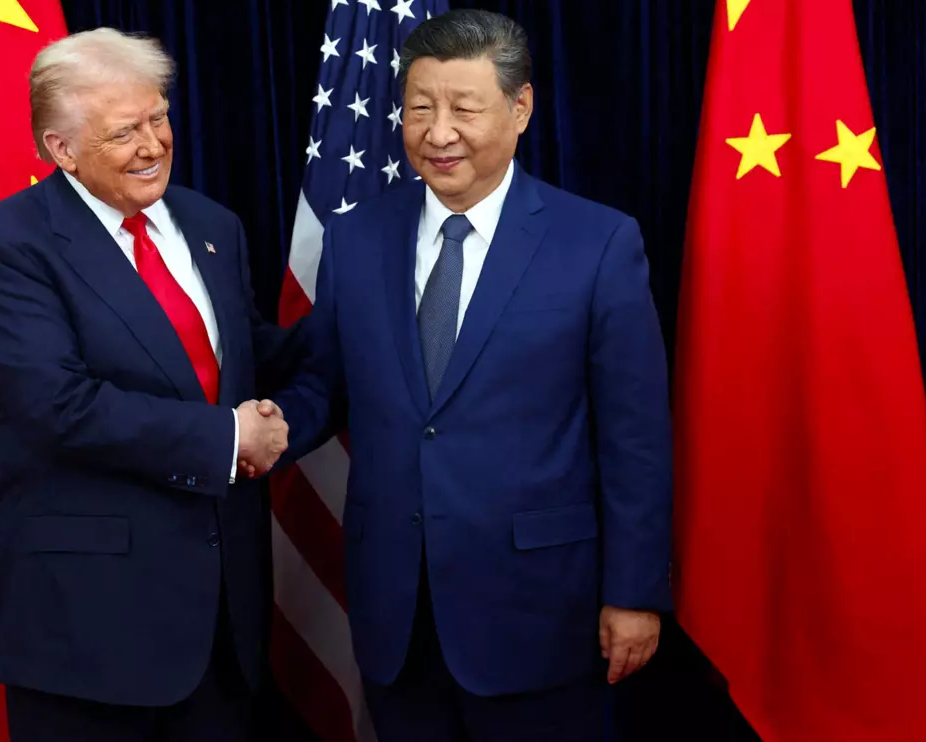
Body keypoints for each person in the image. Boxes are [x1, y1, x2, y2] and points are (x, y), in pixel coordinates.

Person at [258, 9, 673, 741]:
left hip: (538, 610)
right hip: (395, 608)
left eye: (462, 108)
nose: (437, 131)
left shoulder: (598, 242)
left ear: (519, 109)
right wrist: (256, 433)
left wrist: (635, 595)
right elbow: (327, 382)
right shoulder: (356, 237)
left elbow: (634, 438)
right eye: (418, 108)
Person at [0, 28, 300, 742]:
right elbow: (56, 406)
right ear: (61, 149)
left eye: (158, 117)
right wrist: (231, 436)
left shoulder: (212, 225)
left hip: (219, 620)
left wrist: (364, 320)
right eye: (123, 133)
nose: (153, 144)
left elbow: (243, 359)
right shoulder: (9, 245)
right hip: (89, 627)